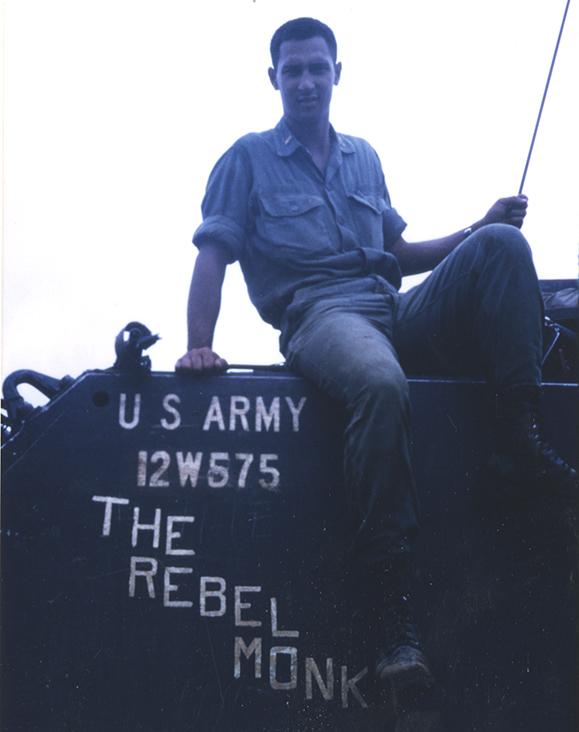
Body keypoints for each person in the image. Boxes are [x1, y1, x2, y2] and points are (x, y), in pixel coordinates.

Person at [176, 17, 576, 690]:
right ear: (274, 79)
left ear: (337, 73)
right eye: (293, 70)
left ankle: (518, 449)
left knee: (503, 247)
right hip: (319, 314)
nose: (306, 82)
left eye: (318, 68)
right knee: (381, 385)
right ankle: (391, 609)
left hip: (391, 306)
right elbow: (213, 254)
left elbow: (398, 255)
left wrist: (478, 226)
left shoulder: (363, 156)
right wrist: (198, 347)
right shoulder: (245, 158)